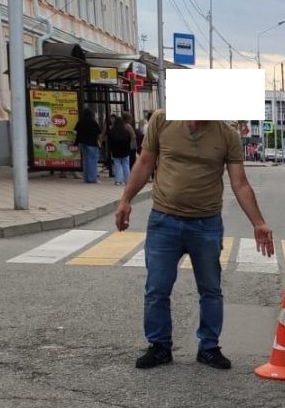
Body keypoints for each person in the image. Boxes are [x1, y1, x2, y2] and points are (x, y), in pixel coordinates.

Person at [114, 113, 274, 371]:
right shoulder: (162, 120)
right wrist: (125, 200)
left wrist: (258, 222)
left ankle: (209, 348)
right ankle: (159, 346)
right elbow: (144, 163)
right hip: (164, 221)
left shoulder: (226, 134)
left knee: (210, 289)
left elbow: (239, 183)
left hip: (206, 224)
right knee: (157, 288)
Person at [74, 105, 102, 184]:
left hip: (82, 143)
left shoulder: (80, 122)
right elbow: (99, 134)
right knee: (92, 161)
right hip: (92, 144)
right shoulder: (93, 122)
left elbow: (76, 131)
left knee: (86, 160)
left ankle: (86, 178)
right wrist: (100, 142)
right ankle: (92, 179)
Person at [106, 114, 134, 186]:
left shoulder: (112, 131)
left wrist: (111, 150)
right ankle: (127, 180)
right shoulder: (125, 131)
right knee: (126, 165)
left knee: (117, 165)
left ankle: (118, 181)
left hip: (116, 151)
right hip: (125, 151)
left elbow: (109, 141)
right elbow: (129, 139)